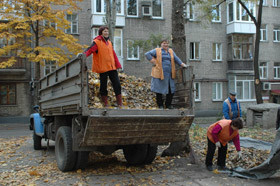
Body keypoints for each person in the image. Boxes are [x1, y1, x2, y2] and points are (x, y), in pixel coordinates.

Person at [79, 26, 123, 107]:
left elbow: (113, 54)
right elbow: (90, 50)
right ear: (101, 33)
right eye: (105, 31)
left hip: (112, 67)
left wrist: (118, 64)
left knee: (117, 84)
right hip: (103, 68)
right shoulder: (97, 42)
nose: (106, 33)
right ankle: (105, 103)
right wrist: (83, 55)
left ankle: (120, 103)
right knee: (103, 86)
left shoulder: (109, 42)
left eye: (107, 31)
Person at [145, 39, 187, 109]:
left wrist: (182, 64)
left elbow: (176, 58)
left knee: (171, 90)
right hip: (159, 74)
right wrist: (153, 61)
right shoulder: (157, 50)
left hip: (169, 74)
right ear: (161, 44)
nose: (165, 45)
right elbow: (147, 54)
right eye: (164, 43)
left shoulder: (170, 51)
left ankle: (168, 104)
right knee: (159, 90)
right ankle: (160, 105)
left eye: (167, 43)